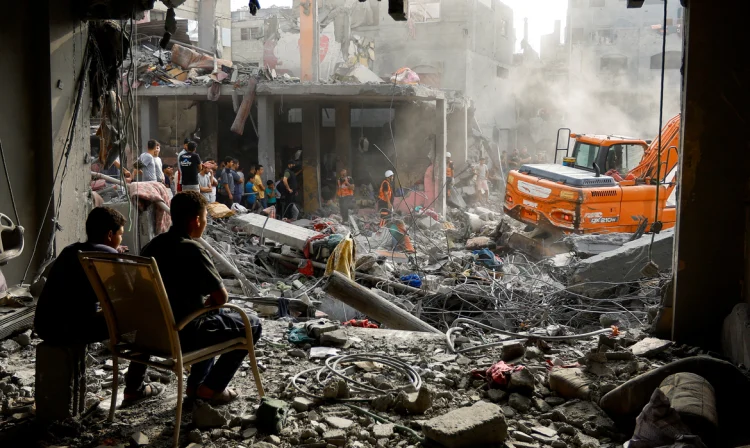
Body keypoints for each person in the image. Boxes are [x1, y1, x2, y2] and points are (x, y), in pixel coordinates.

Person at [130, 192, 262, 404]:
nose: (205, 223)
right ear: (197, 220)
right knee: (253, 325)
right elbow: (220, 297)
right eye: (205, 219)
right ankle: (208, 389)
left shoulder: (152, 246)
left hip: (150, 335)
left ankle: (138, 387)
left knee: (210, 315)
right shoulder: (192, 249)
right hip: (183, 335)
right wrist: (211, 302)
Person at [34, 208, 165, 402]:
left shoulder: (72, 250)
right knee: (145, 320)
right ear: (110, 235)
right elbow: (130, 295)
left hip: (45, 326)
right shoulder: (107, 255)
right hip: (70, 330)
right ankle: (135, 388)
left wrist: (113, 252)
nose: (121, 240)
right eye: (120, 235)